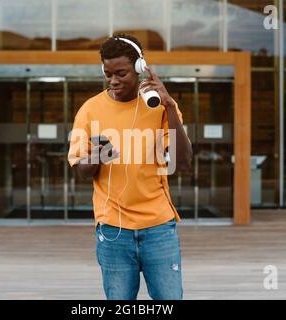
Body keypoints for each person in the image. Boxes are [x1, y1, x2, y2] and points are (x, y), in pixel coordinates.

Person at [67, 33, 192, 300]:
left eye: (121, 73)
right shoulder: (89, 111)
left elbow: (182, 162)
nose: (113, 81)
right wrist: (98, 156)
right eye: (108, 73)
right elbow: (80, 171)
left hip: (159, 227)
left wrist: (169, 107)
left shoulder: (160, 108)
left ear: (139, 69)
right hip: (113, 230)